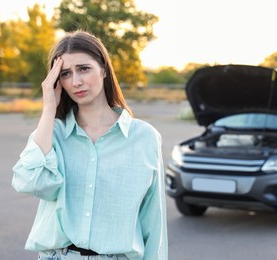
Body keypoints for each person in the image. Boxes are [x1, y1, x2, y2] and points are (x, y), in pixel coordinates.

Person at [12, 30, 168, 260]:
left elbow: (153, 220)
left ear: (104, 69)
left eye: (84, 69)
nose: (76, 81)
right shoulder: (52, 133)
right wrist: (48, 109)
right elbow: (32, 183)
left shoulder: (144, 137)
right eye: (65, 74)